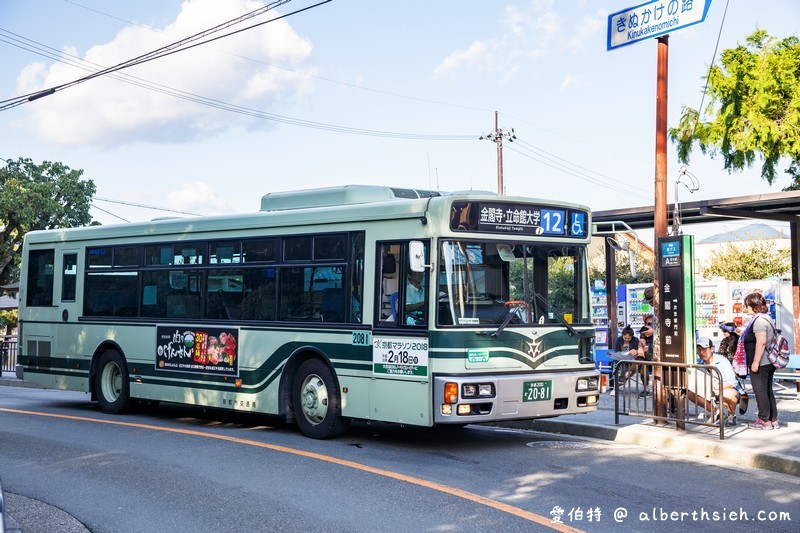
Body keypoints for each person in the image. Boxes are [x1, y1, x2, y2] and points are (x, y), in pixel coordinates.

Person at [739, 292, 778, 430]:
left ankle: (764, 421)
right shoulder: (766, 318)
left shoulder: (759, 321)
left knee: (760, 391)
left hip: (761, 362)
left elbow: (761, 342)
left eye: (747, 305)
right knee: (767, 390)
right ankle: (773, 420)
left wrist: (755, 362)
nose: (746, 308)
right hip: (768, 361)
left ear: (753, 306)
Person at [687, 337, 741, 426]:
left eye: (704, 349)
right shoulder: (698, 362)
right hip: (708, 388)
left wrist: (718, 387)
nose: (701, 352)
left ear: (712, 349)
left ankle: (731, 415)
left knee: (730, 394)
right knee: (689, 392)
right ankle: (716, 412)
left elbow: (733, 382)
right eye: (699, 349)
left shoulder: (722, 361)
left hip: (724, 387)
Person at [609, 326, 638, 395]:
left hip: (631, 360)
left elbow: (638, 351)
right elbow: (616, 352)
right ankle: (615, 387)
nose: (627, 340)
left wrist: (634, 351)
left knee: (621, 366)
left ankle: (620, 381)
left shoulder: (635, 340)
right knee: (618, 365)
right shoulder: (619, 340)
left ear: (632, 337)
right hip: (620, 359)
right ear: (622, 335)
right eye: (625, 338)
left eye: (629, 338)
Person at [635, 314, 654, 397]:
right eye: (647, 323)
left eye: (651, 324)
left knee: (641, 360)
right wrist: (640, 348)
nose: (648, 326)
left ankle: (627, 374)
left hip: (658, 356)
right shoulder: (643, 330)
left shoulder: (658, 330)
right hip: (648, 357)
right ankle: (646, 389)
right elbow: (642, 342)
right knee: (642, 362)